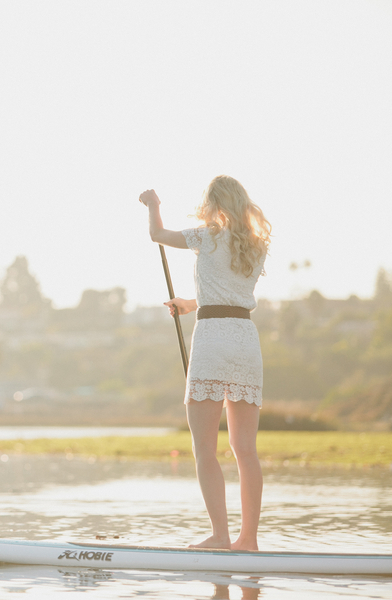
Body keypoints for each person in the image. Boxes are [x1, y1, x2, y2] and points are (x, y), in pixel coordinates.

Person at [138, 175, 271, 551]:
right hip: (245, 340)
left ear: (214, 204)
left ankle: (220, 536)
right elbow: (231, 294)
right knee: (246, 450)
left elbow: (158, 235)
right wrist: (190, 303)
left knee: (205, 449)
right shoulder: (254, 244)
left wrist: (153, 204)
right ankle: (248, 541)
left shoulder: (206, 236)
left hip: (213, 339)